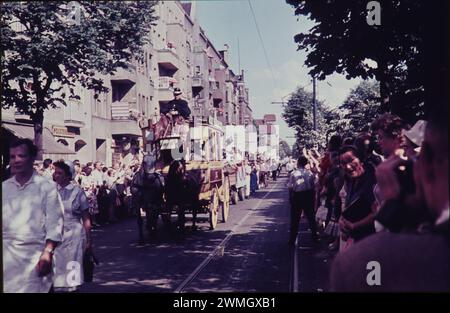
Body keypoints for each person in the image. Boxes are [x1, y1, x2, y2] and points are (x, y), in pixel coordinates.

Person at [330, 109, 450, 292]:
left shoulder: (389, 167)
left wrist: (394, 202)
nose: (378, 141)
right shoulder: (385, 165)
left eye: (380, 137)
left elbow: (416, 219)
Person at [2, 139, 64, 293]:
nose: (16, 160)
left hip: (36, 256)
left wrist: (47, 252)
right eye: (12, 156)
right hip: (7, 257)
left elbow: (55, 222)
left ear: (32, 158)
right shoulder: (4, 188)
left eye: (21, 156)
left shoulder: (47, 187)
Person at [52, 160, 92, 292]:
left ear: (68, 175)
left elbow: (86, 218)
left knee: (72, 270)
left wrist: (89, 240)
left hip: (74, 236)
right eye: (55, 172)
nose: (56, 175)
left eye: (59, 173)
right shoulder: (51, 191)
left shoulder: (78, 192)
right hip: (56, 234)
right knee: (57, 270)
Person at [338, 145, 377, 250]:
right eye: (343, 163)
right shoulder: (349, 179)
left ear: (361, 159)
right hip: (355, 240)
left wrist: (355, 226)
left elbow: (378, 212)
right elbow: (348, 205)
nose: (348, 167)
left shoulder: (373, 180)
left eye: (351, 160)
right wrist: (342, 221)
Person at [287, 156, 318, 245]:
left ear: (298, 163)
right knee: (311, 217)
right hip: (308, 195)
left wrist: (290, 197)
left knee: (295, 218)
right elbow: (313, 186)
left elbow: (290, 187)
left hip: (297, 196)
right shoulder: (310, 173)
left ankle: (292, 239)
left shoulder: (294, 173)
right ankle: (314, 237)